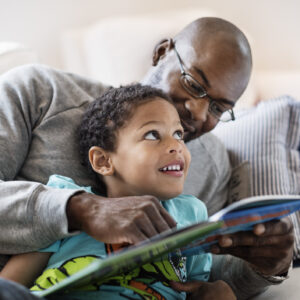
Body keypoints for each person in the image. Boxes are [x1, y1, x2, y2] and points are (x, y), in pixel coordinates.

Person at [0, 16, 293, 299]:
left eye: (218, 109)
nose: (199, 113)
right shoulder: (40, 91)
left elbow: (197, 275)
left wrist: (266, 267)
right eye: (193, 83)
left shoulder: (212, 162)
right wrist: (78, 209)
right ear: (161, 52)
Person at [1, 84, 237, 300]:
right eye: (152, 134)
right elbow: (10, 285)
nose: (176, 146)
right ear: (103, 160)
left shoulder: (192, 215)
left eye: (178, 134)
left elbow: (195, 289)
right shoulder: (67, 202)